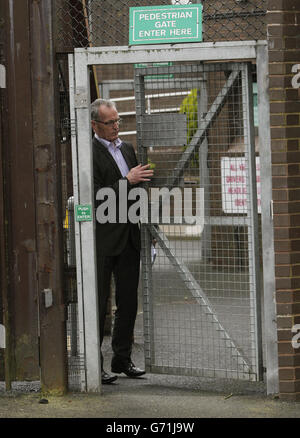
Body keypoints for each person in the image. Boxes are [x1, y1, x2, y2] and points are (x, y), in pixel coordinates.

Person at [91, 98, 154, 384]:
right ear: (95, 125)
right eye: (110, 122)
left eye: (118, 121)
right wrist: (127, 180)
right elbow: (95, 195)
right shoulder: (87, 152)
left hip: (129, 235)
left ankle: (122, 358)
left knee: (128, 302)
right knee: (98, 301)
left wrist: (146, 231)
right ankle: (96, 364)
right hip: (103, 239)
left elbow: (136, 191)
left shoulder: (127, 148)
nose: (116, 126)